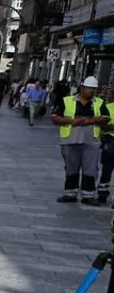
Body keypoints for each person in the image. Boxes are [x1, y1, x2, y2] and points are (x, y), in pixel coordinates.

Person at [51, 76, 107, 205]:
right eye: (89, 89)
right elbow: (55, 118)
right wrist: (71, 121)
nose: (91, 92)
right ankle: (70, 194)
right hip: (70, 140)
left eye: (94, 89)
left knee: (90, 169)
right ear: (82, 88)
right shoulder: (67, 101)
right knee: (71, 168)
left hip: (91, 141)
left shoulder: (99, 102)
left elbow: (105, 118)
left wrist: (90, 120)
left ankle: (88, 196)